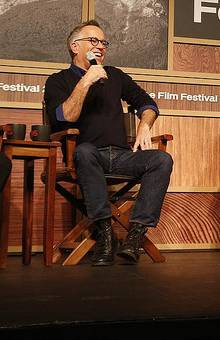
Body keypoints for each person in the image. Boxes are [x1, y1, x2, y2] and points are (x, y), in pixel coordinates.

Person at [44, 20, 173, 266]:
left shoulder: (115, 75)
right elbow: (64, 117)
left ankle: (135, 235)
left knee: (161, 159)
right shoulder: (58, 80)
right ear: (74, 46)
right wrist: (86, 80)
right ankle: (105, 234)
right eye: (93, 41)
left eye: (104, 42)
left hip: (123, 156)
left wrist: (145, 124)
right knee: (84, 151)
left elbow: (148, 104)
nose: (100, 46)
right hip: (88, 157)